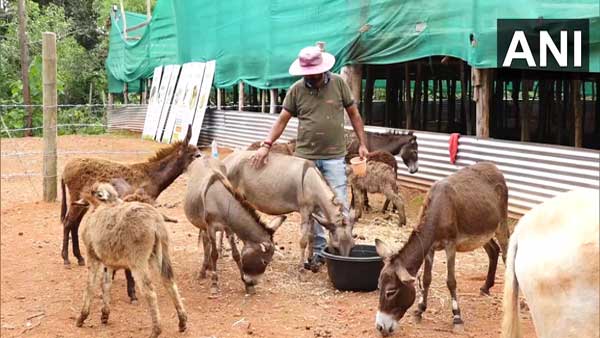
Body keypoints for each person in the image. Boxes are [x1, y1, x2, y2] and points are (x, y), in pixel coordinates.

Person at [250, 42, 368, 271]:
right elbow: (282, 119)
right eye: (307, 74)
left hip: (334, 157)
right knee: (311, 207)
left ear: (323, 69)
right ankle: (320, 251)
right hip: (305, 160)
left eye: (314, 73)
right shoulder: (296, 89)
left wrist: (363, 143)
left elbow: (354, 114)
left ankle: (343, 245)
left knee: (340, 203)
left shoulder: (339, 84)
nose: (310, 77)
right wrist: (266, 144)